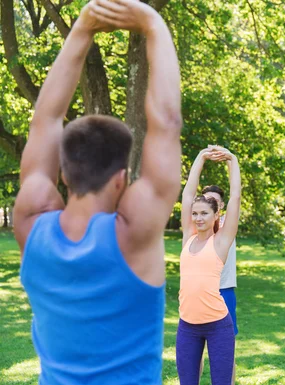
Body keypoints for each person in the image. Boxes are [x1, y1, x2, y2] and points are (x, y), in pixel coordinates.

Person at [13, 1, 182, 383]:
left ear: (64, 173)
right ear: (121, 179)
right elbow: (167, 123)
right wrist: (153, 25)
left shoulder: (30, 223)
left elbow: (45, 119)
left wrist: (82, 28)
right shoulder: (134, 235)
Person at [177, 146, 241, 385]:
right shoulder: (188, 238)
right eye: (195, 214)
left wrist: (232, 160)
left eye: (204, 213)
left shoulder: (221, 242)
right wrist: (200, 158)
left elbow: (235, 196)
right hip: (187, 326)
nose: (198, 218)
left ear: (216, 215)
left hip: (217, 326)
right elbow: (187, 194)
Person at [198, 184, 238, 384]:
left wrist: (231, 161)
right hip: (200, 293)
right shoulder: (198, 225)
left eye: (214, 200)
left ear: (221, 205)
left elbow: (236, 197)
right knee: (195, 350)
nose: (209, 203)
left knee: (227, 351)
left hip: (224, 292)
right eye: (206, 200)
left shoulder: (226, 225)